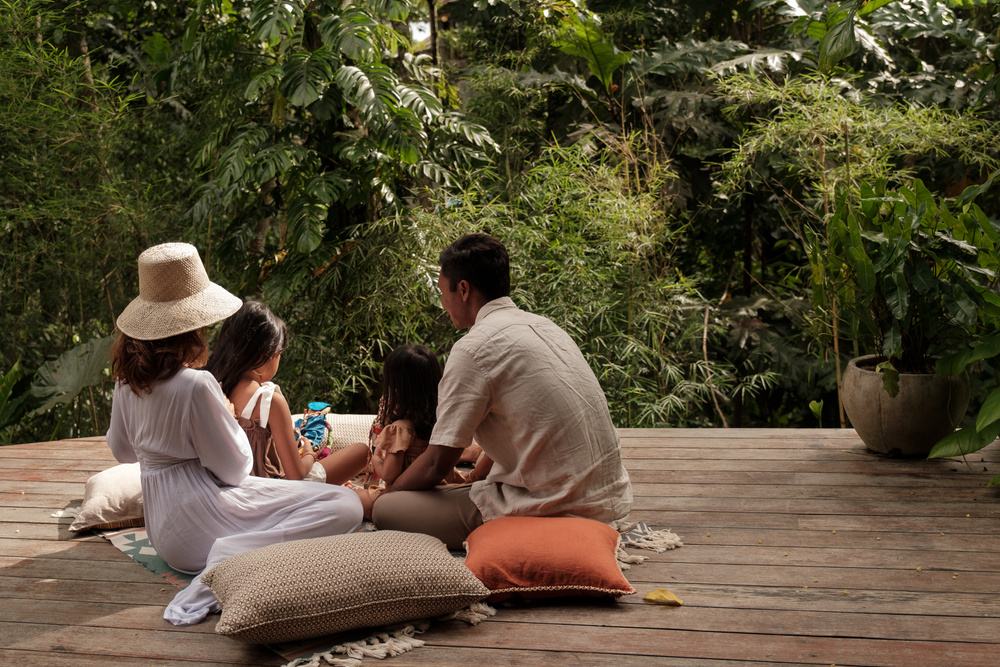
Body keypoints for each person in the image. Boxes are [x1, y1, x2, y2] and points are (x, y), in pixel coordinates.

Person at [106, 243, 363, 626]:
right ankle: (230, 560)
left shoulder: (126, 383)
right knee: (345, 506)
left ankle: (234, 553)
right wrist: (225, 418)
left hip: (163, 534)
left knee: (317, 502)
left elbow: (123, 451)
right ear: (192, 327)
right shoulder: (196, 385)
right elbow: (235, 470)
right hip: (204, 526)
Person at [371, 233, 633, 549]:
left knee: (386, 509)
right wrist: (473, 479)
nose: (443, 303)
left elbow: (436, 463)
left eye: (443, 292)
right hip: (610, 500)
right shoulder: (547, 327)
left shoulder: (473, 348)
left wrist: (391, 491)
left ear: (463, 289)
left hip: (555, 508)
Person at [204, 300, 368, 484]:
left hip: (230, 485)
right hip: (275, 489)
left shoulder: (211, 387)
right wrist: (309, 454)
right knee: (361, 452)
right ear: (262, 357)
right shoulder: (269, 400)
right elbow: (295, 475)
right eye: (279, 354)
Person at [356, 344, 467, 518]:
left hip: (405, 499)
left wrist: (377, 456)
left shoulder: (399, 429)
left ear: (397, 387)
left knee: (351, 498)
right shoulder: (442, 420)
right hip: (441, 494)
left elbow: (389, 475)